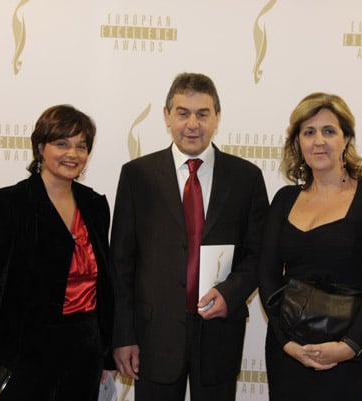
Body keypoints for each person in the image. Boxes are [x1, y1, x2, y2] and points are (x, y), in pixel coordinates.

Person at [109, 72, 269, 401]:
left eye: (202, 114)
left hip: (219, 332)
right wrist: (123, 335)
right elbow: (122, 263)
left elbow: (259, 254)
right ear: (167, 116)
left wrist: (230, 294)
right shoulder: (137, 176)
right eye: (183, 113)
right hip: (154, 334)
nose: (192, 124)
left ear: (217, 117)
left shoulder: (246, 178)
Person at [0, 104, 115, 400]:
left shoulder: (95, 205)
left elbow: (105, 286)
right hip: (22, 357)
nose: (73, 154)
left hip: (84, 356)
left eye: (81, 146)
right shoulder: (9, 204)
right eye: (61, 143)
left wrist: (106, 354)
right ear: (40, 148)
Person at [257, 92, 362, 401]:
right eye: (308, 132)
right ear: (298, 142)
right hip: (287, 353)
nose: (318, 141)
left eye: (329, 131)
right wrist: (286, 342)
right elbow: (267, 275)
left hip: (346, 356)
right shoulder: (284, 200)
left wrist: (348, 347)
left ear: (346, 138)